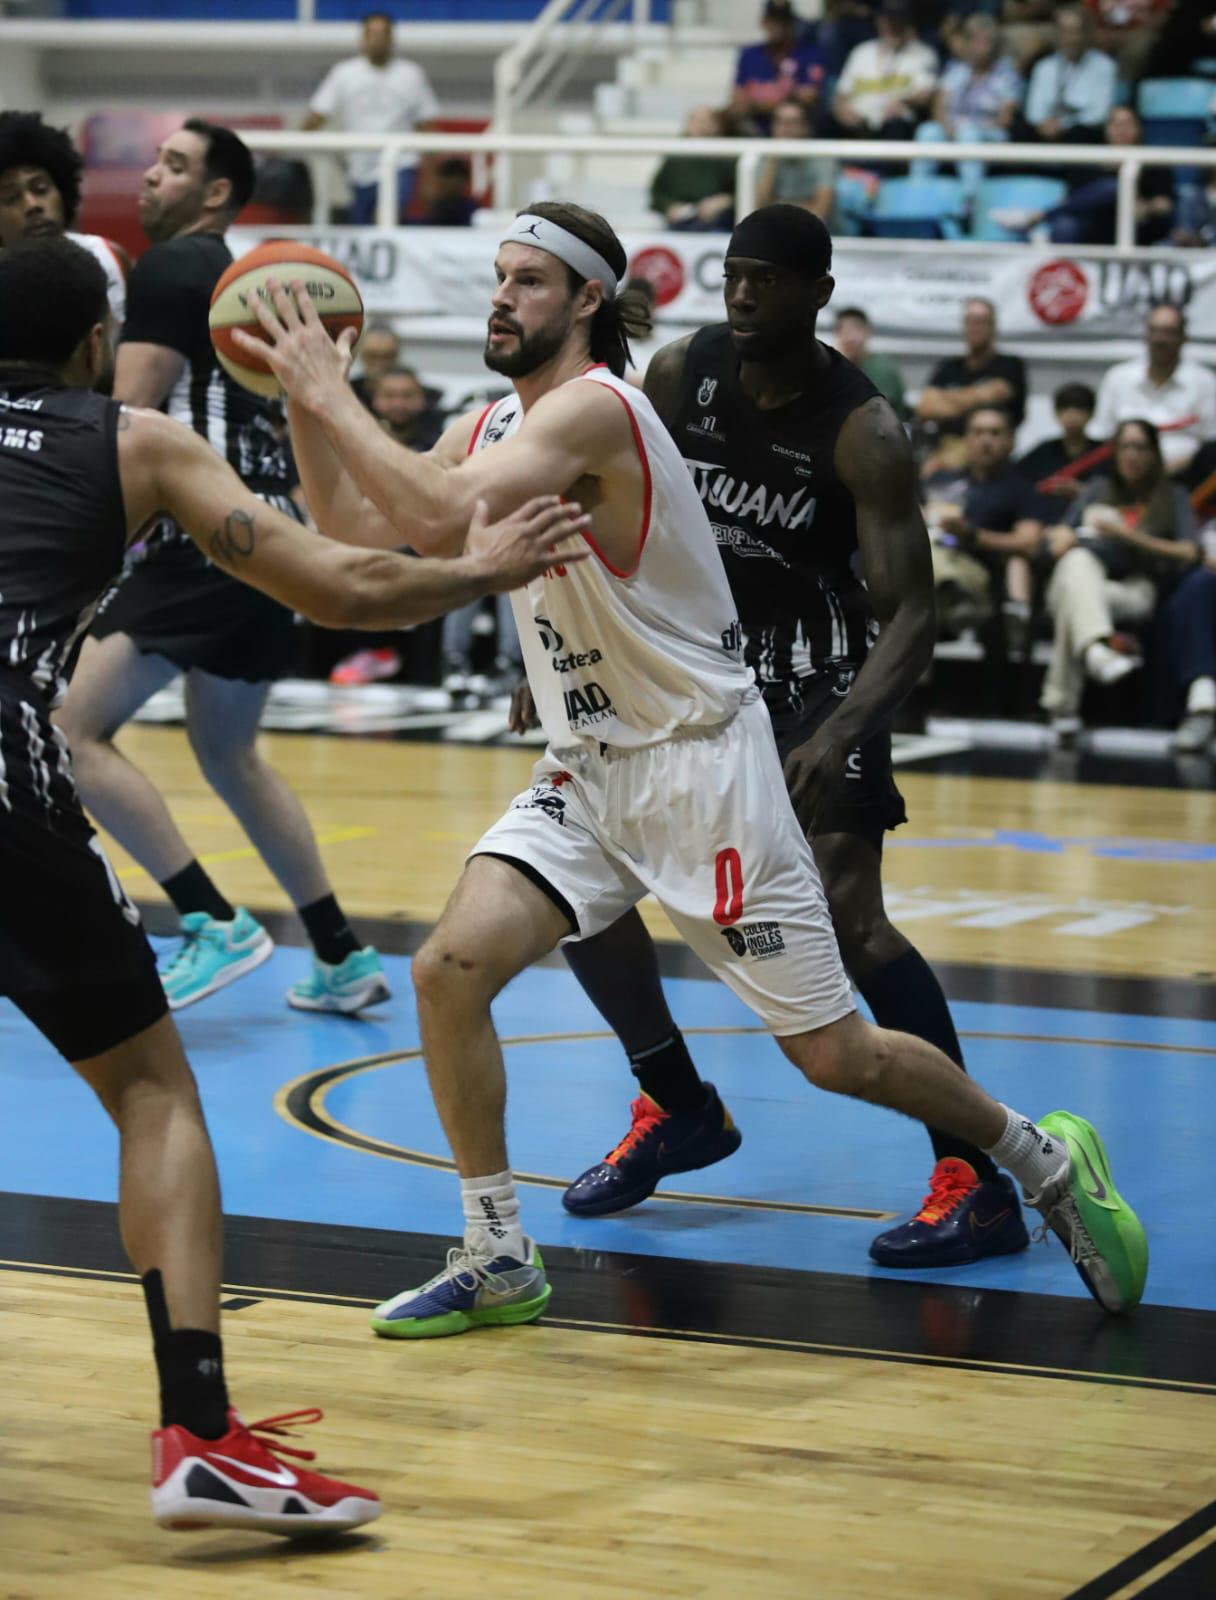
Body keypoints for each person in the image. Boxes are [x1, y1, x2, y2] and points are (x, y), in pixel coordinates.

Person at [248, 199, 1148, 1329]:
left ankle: (1040, 1159)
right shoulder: (495, 425)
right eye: (498, 276)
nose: (500, 298)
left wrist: (330, 389)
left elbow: (436, 512)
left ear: (587, 298)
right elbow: (353, 525)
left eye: (528, 281)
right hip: (589, 765)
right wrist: (299, 398)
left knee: (837, 1054)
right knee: (447, 970)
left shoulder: (601, 409)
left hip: (701, 769)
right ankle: (498, 1250)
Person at [0, 234, 585, 1532]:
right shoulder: (137, 441)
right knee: (151, 1092)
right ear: (97, 345)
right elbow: (343, 585)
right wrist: (480, 572)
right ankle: (201, 1434)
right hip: (4, 791)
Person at [54, 121, 386, 1015]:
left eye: (172, 166)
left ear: (215, 195)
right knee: (230, 754)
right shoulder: (248, 285)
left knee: (68, 731)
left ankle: (209, 920)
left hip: (206, 534)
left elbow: (125, 414)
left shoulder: (172, 267)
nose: (148, 178)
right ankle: (341, 953)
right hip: (273, 535)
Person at [1040, 417, 1199, 735]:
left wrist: (1127, 536)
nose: (1132, 455)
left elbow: (1189, 552)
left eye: (1140, 447)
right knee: (1077, 563)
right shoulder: (1097, 489)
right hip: (1087, 578)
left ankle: (1063, 704)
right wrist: (1060, 536)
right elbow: (1059, 536)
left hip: (1134, 587)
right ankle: (1095, 651)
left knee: (1075, 597)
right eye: (1125, 447)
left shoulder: (1172, 495)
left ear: (1154, 453)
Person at [922, 406, 1044, 646]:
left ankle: (954, 597)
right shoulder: (942, 481)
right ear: (966, 439)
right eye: (977, 432)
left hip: (980, 574)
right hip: (930, 565)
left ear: (1010, 441)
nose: (985, 440)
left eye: (994, 433)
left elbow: (1029, 542)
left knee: (927, 559)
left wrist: (972, 535)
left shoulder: (1022, 490)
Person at [303, 9, 437, 225]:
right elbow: (317, 115)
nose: (377, 40)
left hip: (400, 162)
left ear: (391, 38)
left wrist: (431, 176)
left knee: (387, 216)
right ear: (363, 38)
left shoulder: (411, 74)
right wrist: (294, 144)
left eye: (383, 34)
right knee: (362, 226)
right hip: (359, 168)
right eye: (372, 34)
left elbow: (427, 125)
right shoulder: (344, 73)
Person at [0, 110, 129, 324]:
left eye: (41, 189)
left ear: (62, 192)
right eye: (11, 198)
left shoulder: (108, 257)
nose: (32, 205)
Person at [994, 107, 1175, 246]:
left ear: (1138, 128)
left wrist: (1146, 206)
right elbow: (1074, 199)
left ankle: (1037, 217)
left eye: (1127, 124)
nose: (1121, 130)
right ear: (1106, 129)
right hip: (1094, 224)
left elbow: (1164, 204)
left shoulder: (1153, 160)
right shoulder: (1089, 159)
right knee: (1065, 225)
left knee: (1116, 188)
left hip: (1137, 227)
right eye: (1115, 124)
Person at [1092, 305, 1216, 477]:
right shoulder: (1118, 378)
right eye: (1154, 331)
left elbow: (1211, 442)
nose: (1160, 339)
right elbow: (1101, 436)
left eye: (1168, 332)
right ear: (1145, 335)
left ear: (1184, 337)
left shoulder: (1205, 382)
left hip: (1188, 478)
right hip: (1125, 479)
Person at [912, 15, 1022, 201]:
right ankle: (918, 194)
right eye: (975, 41)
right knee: (928, 131)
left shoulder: (1007, 74)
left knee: (968, 133)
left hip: (989, 133)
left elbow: (1005, 120)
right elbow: (938, 109)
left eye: (985, 42)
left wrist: (969, 127)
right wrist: (949, 127)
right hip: (953, 130)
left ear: (994, 46)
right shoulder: (955, 70)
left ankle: (970, 200)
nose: (979, 48)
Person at [916, 297, 1027, 472]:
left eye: (981, 321)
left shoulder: (1010, 365)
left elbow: (996, 392)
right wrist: (977, 396)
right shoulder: (948, 367)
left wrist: (946, 399)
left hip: (992, 456)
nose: (975, 327)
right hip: (945, 451)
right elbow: (925, 407)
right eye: (970, 322)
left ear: (993, 327)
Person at [830, 1, 939, 140]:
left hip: (895, 122)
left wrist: (903, 101)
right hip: (858, 121)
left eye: (897, 21)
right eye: (888, 20)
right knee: (827, 123)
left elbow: (925, 96)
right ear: (879, 22)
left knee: (896, 127)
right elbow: (840, 95)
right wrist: (842, 112)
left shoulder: (922, 54)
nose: (892, 26)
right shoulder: (862, 52)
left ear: (907, 23)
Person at [1020, 6, 1117, 146]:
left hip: (1082, 131)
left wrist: (1064, 124)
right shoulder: (1044, 67)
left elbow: (1099, 114)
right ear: (1057, 34)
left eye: (1076, 31)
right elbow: (1034, 111)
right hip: (1045, 130)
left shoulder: (1104, 66)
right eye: (1065, 32)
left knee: (1081, 134)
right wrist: (1045, 123)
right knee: (1020, 129)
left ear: (1087, 34)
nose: (1072, 39)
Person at [733, 0, 829, 132]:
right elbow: (738, 100)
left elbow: (809, 96)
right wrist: (784, 96)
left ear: (792, 24)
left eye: (783, 22)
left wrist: (761, 101)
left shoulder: (809, 53)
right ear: (763, 22)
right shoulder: (750, 54)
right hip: (757, 127)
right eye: (773, 21)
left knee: (789, 115)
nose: (778, 27)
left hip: (795, 127)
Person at [648, 107, 737, 232]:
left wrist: (724, 201)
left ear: (715, 125)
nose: (699, 126)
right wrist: (669, 208)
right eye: (694, 120)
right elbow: (658, 193)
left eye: (704, 121)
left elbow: (742, 190)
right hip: (681, 222)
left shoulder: (728, 155)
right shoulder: (676, 156)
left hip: (719, 222)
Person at [1015, 381, 1101, 501]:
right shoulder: (1043, 452)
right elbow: (1019, 480)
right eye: (1065, 409)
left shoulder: (1103, 453)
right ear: (1056, 413)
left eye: (1079, 409)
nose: (1072, 416)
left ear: (1091, 413)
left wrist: (1084, 492)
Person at [755, 98, 837, 222]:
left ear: (805, 127)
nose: (786, 128)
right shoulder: (761, 157)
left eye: (793, 122)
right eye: (780, 121)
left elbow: (819, 213)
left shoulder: (823, 156)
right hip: (773, 227)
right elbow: (757, 206)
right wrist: (773, 159)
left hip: (816, 230)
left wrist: (776, 207)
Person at [831, 304, 907, 419]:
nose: (851, 338)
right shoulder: (828, 368)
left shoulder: (883, 369)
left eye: (856, 329)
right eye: (845, 330)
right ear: (837, 334)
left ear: (868, 332)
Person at [350, 321, 402, 408]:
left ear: (397, 355)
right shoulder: (348, 392)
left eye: (387, 356)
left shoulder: (415, 396)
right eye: (372, 356)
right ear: (362, 355)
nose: (379, 364)